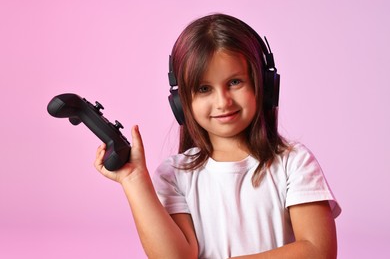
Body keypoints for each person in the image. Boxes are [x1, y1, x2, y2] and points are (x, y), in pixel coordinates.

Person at [94, 13, 341, 259]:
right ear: (181, 103)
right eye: (204, 89)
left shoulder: (295, 163)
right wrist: (135, 181)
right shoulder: (174, 175)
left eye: (235, 82)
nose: (223, 102)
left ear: (264, 86)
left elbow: (318, 251)